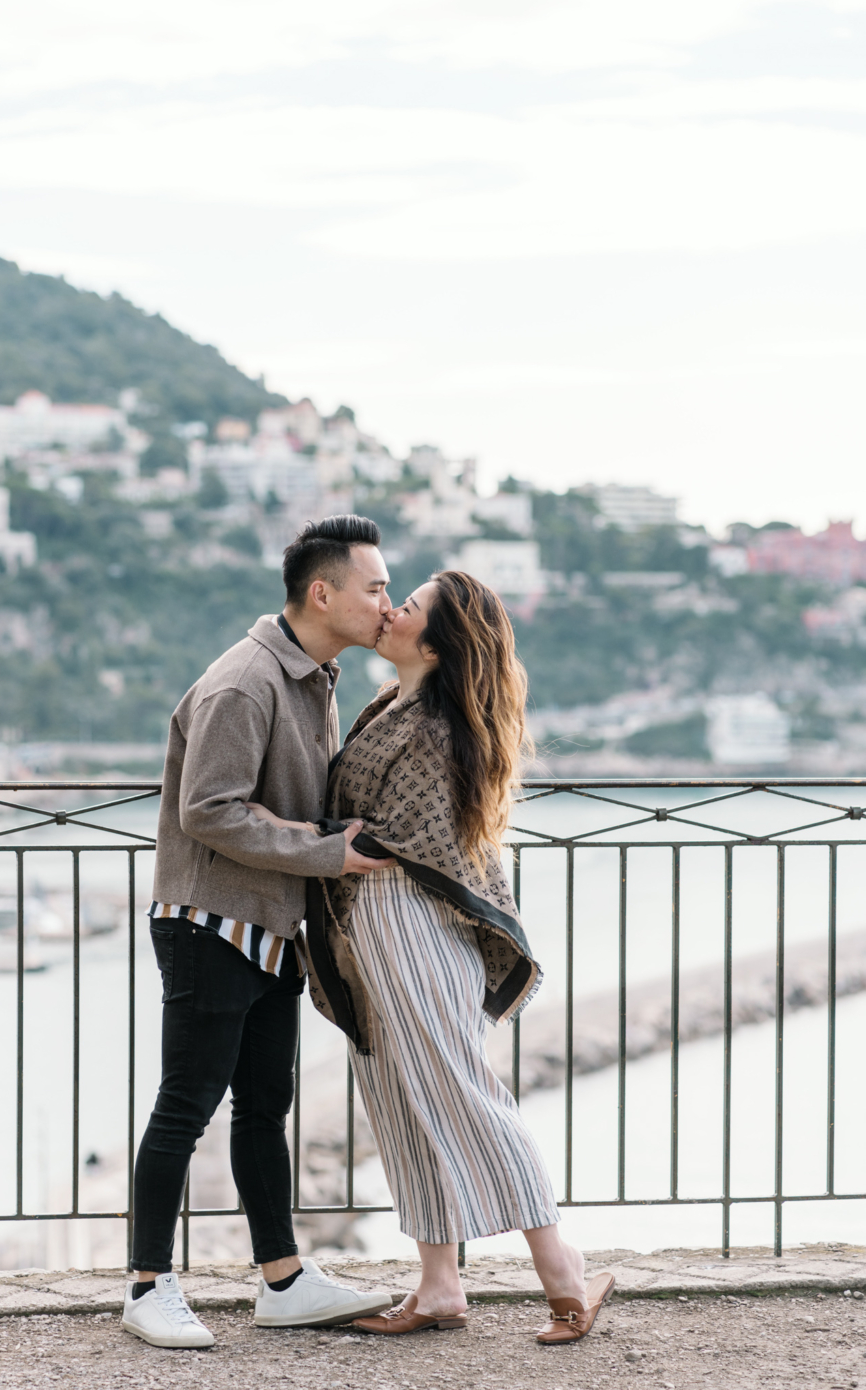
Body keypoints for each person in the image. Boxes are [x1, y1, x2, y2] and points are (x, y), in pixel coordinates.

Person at [248, 571, 615, 1344]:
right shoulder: (394, 704)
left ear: (438, 642)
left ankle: (562, 1270)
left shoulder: (434, 724)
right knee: (396, 1097)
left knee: (459, 1093)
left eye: (405, 607)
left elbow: (409, 837)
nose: (388, 611)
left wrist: (313, 840)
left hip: (407, 918)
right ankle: (439, 1285)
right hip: (366, 925)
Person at [122, 515, 398, 1351]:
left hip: (272, 922)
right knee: (185, 1108)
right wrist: (325, 853)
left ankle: (280, 1279)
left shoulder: (314, 674)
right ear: (324, 593)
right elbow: (207, 810)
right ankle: (146, 1286)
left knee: (264, 1107)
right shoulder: (246, 682)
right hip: (211, 923)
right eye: (376, 587)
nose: (387, 602)